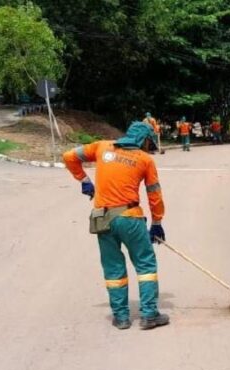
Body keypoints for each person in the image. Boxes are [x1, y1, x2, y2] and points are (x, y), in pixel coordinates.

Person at [62, 122, 170, 331]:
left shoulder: (102, 147)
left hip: (103, 218)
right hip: (130, 218)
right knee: (146, 265)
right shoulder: (144, 160)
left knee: (113, 267)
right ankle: (149, 315)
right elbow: (154, 195)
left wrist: (84, 180)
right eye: (149, 142)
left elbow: (69, 156)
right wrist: (157, 222)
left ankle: (121, 317)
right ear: (144, 140)